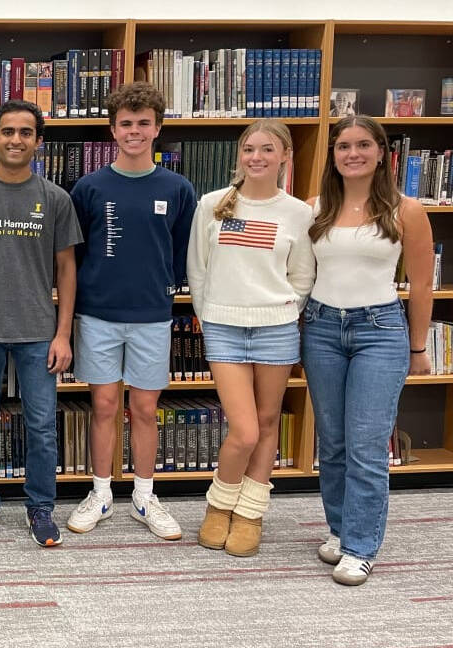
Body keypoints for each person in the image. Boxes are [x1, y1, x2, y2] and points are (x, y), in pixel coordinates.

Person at [302, 114, 433, 586]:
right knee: (332, 443)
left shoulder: (406, 210)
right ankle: (340, 529)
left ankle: (361, 546)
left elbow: (421, 286)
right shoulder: (314, 209)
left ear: (382, 152)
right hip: (321, 328)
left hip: (379, 331)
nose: (352, 154)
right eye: (342, 146)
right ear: (332, 155)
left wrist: (418, 347)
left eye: (362, 145)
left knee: (366, 446)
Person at [66, 82, 196, 541]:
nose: (135, 131)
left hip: (153, 314)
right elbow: (76, 252)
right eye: (126, 123)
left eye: (144, 123)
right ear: (112, 129)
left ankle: (144, 495)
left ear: (157, 128)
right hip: (97, 312)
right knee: (103, 404)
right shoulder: (89, 186)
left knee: (144, 408)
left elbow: (181, 250)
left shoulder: (178, 187)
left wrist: (165, 286)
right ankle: (100, 492)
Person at [0, 99, 81, 546]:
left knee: (41, 424)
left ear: (38, 142)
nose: (16, 139)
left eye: (26, 132)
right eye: (7, 131)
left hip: (39, 332)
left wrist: (64, 334)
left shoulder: (56, 199)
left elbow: (67, 269)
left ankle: (41, 508)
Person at [186, 119, 315, 557]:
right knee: (242, 429)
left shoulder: (298, 212)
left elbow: (301, 276)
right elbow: (198, 268)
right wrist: (207, 312)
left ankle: (250, 513)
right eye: (249, 149)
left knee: (266, 423)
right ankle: (219, 505)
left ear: (284, 157)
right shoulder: (212, 204)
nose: (256, 157)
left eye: (267, 149)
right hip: (223, 325)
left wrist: (281, 311)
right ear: (239, 155)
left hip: (276, 328)